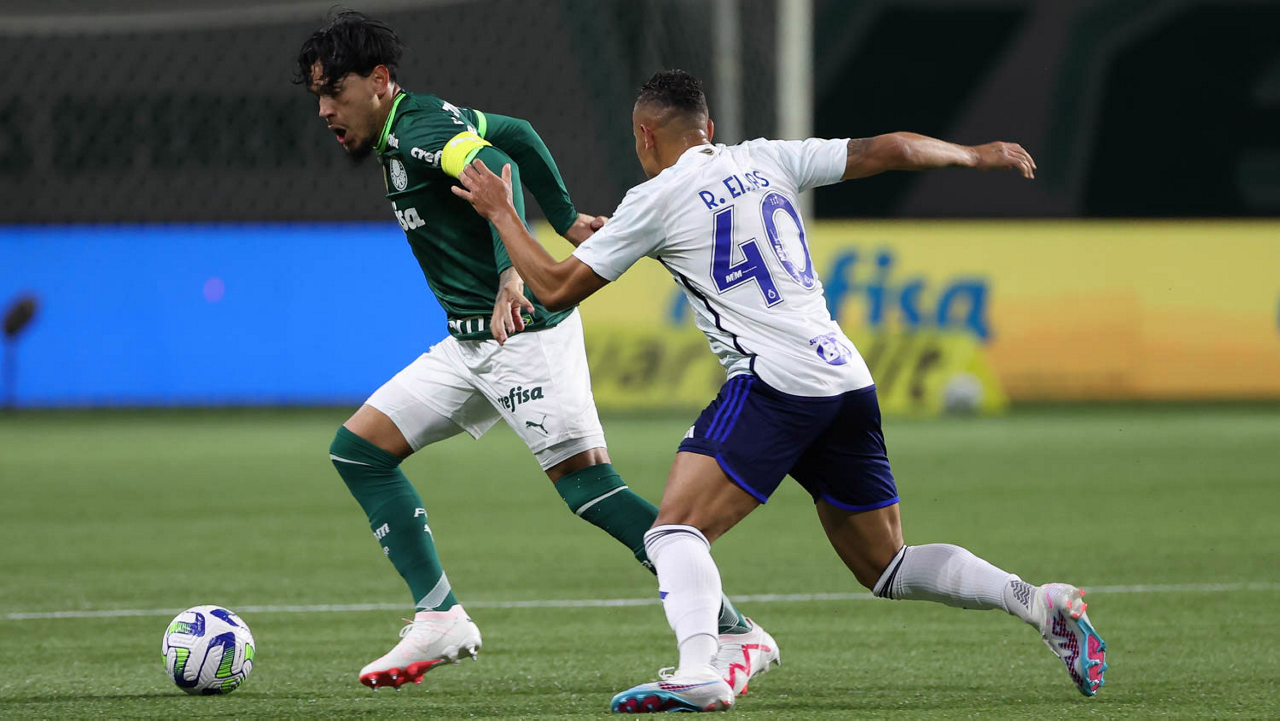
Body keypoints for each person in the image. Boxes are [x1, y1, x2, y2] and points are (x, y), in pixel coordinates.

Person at [451, 69, 1109, 713]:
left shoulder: (655, 198)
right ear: (710, 128)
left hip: (774, 381)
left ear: (644, 136)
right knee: (886, 563)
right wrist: (975, 154)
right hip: (844, 376)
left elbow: (554, 287)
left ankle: (699, 670)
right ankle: (1036, 601)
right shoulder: (767, 157)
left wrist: (503, 212)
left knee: (673, 531)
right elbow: (891, 149)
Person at [292, 16, 775, 692]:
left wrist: (512, 273)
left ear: (377, 81)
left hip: (525, 338)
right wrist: (567, 215)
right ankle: (439, 616)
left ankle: (734, 630)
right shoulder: (415, 123)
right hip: (471, 342)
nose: (324, 110)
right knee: (359, 452)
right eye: (317, 95)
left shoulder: (419, 130)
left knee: (592, 491)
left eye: (334, 92)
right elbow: (515, 131)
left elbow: (497, 167)